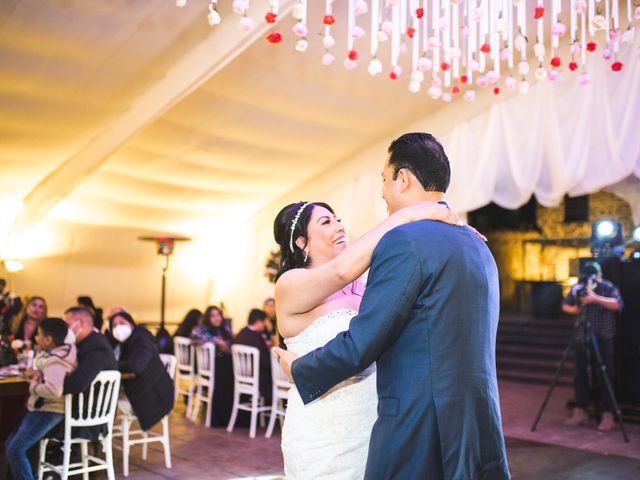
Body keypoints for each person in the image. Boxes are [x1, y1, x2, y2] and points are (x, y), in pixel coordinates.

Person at [275, 132, 510, 480]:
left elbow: (363, 341)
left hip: (416, 424)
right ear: (301, 242)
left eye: (384, 180)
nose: (382, 192)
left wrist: (302, 371)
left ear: (403, 178)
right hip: (472, 423)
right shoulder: (477, 245)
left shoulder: (402, 242)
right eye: (326, 221)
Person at [5, 317, 77, 480]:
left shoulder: (56, 362)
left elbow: (54, 389)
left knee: (15, 449)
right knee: (11, 445)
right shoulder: (58, 354)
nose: (36, 338)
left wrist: (34, 385)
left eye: (38, 335)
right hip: (42, 408)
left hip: (48, 410)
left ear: (48, 339)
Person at [562, 261, 623, 431]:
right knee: (580, 374)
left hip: (603, 336)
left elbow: (618, 304)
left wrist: (595, 298)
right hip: (582, 337)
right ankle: (580, 410)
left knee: (605, 374)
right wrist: (575, 310)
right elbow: (566, 305)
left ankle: (608, 414)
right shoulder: (578, 288)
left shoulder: (607, 287)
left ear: (599, 275)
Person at [108, 311, 174, 431]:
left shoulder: (142, 340)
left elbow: (136, 367)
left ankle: (101, 435)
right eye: (114, 325)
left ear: (132, 324)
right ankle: (101, 435)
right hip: (142, 389)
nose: (118, 327)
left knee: (105, 399)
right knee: (105, 397)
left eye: (122, 323)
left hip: (154, 397)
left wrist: (111, 364)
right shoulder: (121, 344)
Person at [63, 306, 117, 440]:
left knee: (31, 420)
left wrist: (51, 382)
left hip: (87, 418)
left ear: (79, 323)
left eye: (67, 325)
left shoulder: (96, 346)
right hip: (83, 410)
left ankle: (25, 458)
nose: (64, 330)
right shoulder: (87, 342)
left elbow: (77, 383)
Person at [190, 306, 235, 427]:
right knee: (226, 373)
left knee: (232, 371)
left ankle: (231, 416)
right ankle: (221, 417)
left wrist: (226, 347)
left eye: (218, 315)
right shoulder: (201, 328)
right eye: (213, 316)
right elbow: (194, 338)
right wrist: (216, 341)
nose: (217, 318)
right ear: (208, 318)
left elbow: (232, 343)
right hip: (212, 367)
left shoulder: (225, 329)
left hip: (225, 362)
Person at [234, 309, 272, 404]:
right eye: (264, 322)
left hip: (243, 378)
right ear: (259, 321)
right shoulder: (257, 337)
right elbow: (266, 362)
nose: (265, 325)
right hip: (259, 381)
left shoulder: (241, 333)